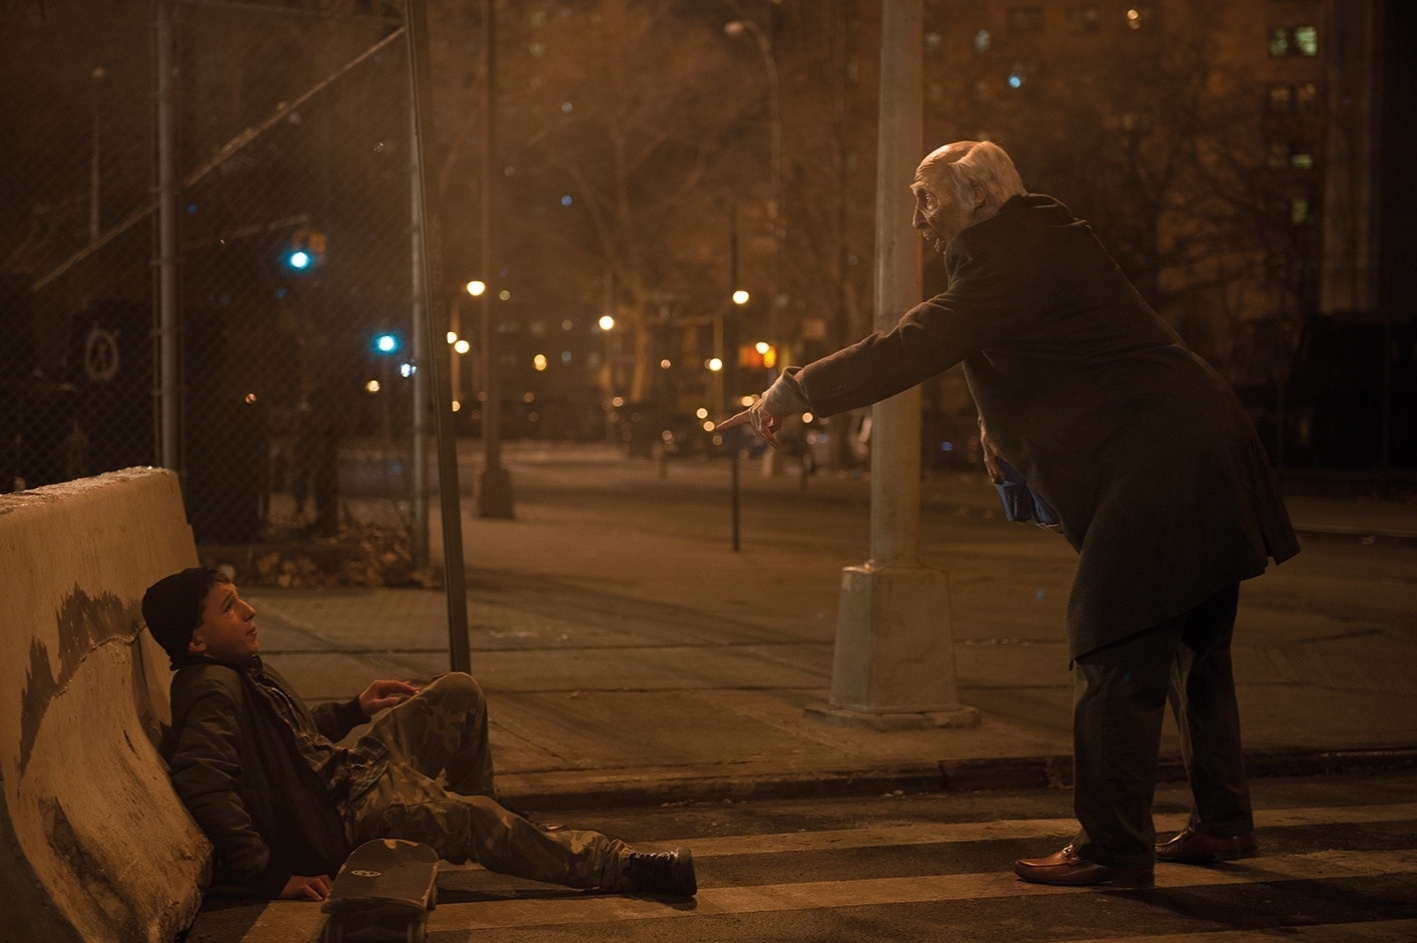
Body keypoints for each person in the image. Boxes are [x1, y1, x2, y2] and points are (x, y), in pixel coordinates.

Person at [721, 141, 1299, 888]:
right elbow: (1035, 348)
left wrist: (793, 388)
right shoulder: (1037, 246)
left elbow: (918, 341)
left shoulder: (1008, 260)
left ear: (980, 201)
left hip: (1161, 468)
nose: (918, 218)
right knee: (1195, 648)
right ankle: (1223, 823)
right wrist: (999, 427)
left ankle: (1111, 849)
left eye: (927, 200)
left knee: (1108, 645)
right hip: (1202, 449)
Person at [142, 566, 696, 901]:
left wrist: (354, 708)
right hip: (348, 815)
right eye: (230, 606)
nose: (249, 610)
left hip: (350, 775)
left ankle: (486, 821)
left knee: (458, 691)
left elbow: (288, 738)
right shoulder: (211, 687)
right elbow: (205, 784)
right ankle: (620, 865)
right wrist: (269, 875)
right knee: (476, 821)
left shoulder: (234, 671)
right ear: (196, 640)